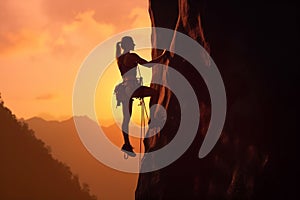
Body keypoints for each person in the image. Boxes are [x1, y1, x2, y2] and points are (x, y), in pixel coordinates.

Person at [115, 36, 168, 157]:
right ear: (128, 45)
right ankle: (152, 119)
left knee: (126, 118)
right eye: (132, 44)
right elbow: (149, 65)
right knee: (154, 93)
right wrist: (163, 56)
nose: (134, 46)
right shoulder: (132, 56)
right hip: (132, 87)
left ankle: (126, 144)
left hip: (123, 89)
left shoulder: (119, 58)